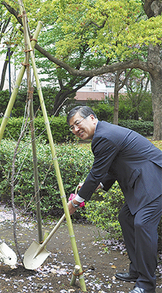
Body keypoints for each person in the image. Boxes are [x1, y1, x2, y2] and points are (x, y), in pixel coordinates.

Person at [66, 106, 162, 293]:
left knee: (142, 224)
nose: (76, 130)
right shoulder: (104, 133)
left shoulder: (104, 136)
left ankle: (146, 284)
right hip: (144, 183)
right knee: (126, 218)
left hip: (155, 180)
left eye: (78, 123)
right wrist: (99, 185)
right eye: (72, 127)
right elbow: (111, 168)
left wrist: (76, 202)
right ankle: (137, 270)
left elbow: (96, 173)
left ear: (92, 118)